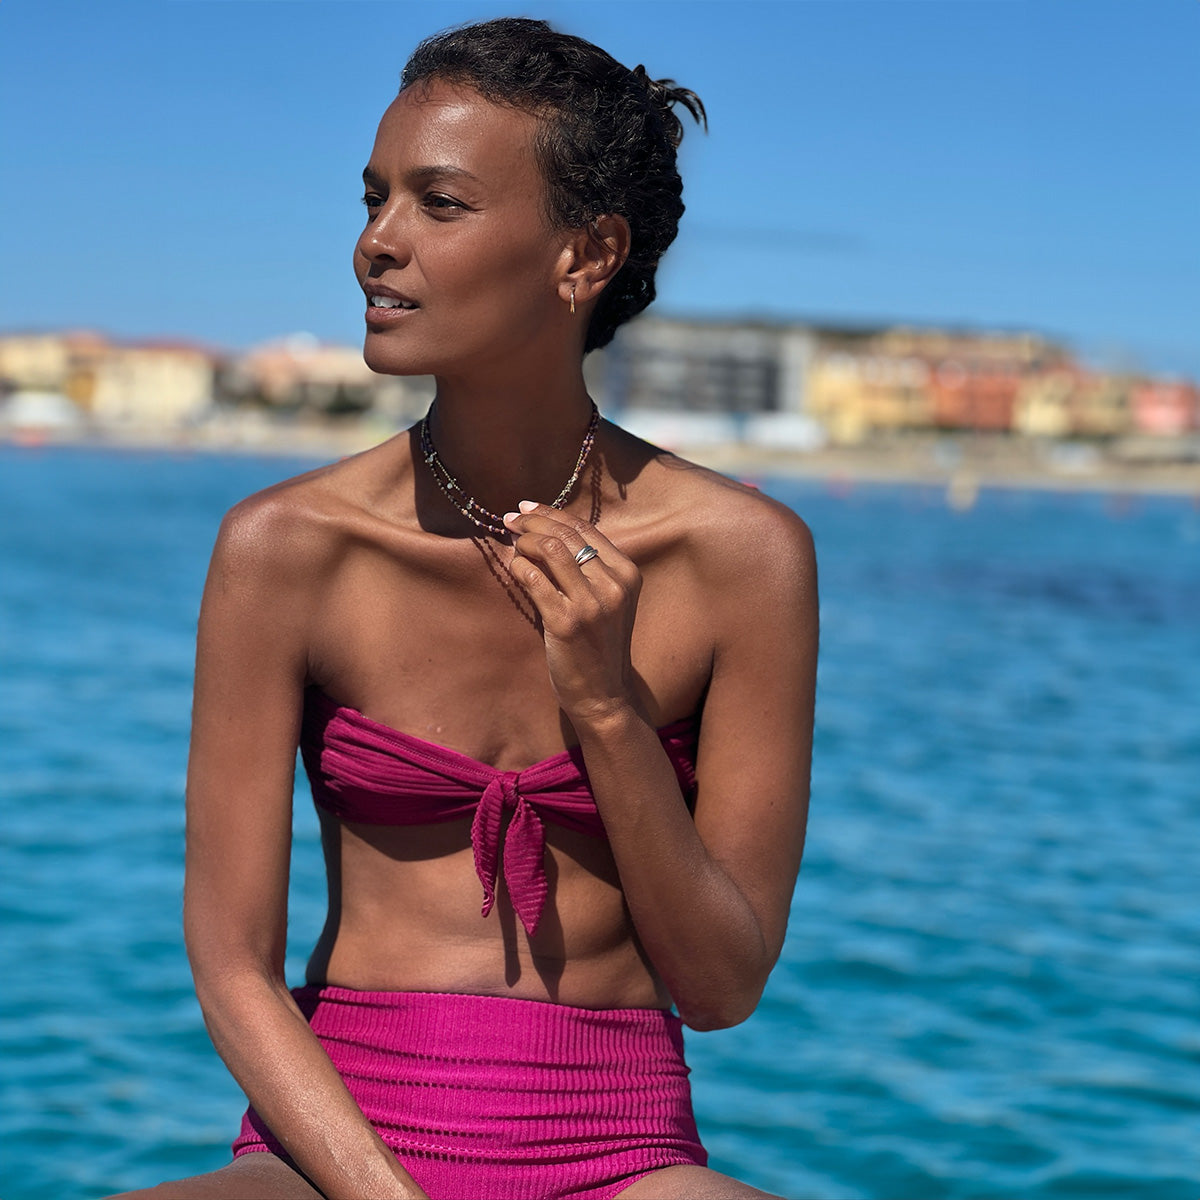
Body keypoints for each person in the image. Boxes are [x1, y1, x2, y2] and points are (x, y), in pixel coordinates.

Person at [112, 16, 817, 1200]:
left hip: (623, 1147)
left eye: (437, 204)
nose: (375, 245)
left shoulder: (744, 558)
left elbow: (722, 985)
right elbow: (233, 965)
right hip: (334, 1143)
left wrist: (605, 705)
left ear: (585, 254)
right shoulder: (287, 548)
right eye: (373, 197)